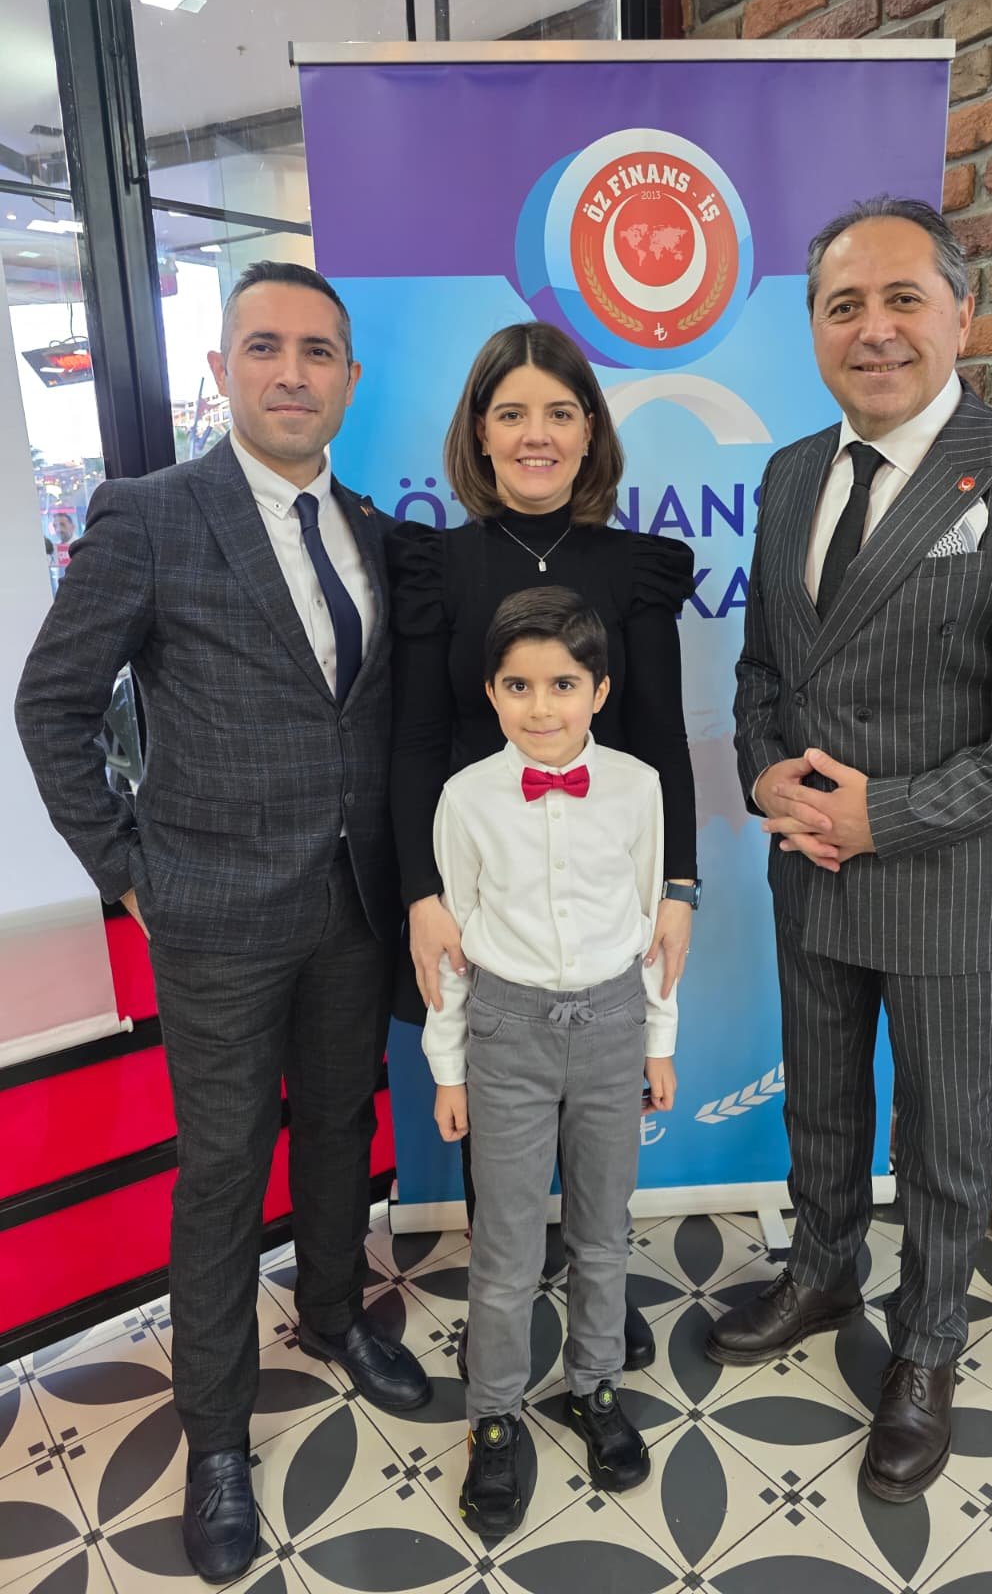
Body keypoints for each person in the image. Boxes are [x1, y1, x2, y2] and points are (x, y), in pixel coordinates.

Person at [15, 260, 431, 1582]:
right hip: (212, 916)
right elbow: (52, 706)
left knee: (340, 1125)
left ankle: (333, 1313)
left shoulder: (375, 530)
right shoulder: (150, 514)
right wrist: (127, 872)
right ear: (221, 369)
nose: (292, 373)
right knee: (221, 1168)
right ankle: (216, 1436)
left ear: (349, 379)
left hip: (353, 904)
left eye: (317, 352)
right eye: (264, 347)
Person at [705, 197, 992, 1503]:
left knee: (941, 1140)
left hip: (949, 878)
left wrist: (882, 815)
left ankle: (929, 1346)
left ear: (962, 317)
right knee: (822, 1103)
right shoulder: (788, 475)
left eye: (903, 300)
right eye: (844, 306)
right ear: (814, 328)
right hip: (809, 865)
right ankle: (823, 1271)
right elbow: (765, 669)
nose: (873, 329)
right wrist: (764, 770)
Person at [390, 320, 700, 1369]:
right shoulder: (435, 565)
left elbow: (660, 737)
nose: (536, 435)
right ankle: (507, 1316)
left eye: (560, 413)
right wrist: (422, 893)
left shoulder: (635, 566)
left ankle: (596, 1298)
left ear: (590, 431)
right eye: (512, 412)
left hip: (602, 891)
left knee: (600, 1127)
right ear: (479, 432)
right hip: (486, 892)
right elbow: (414, 742)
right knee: (504, 1134)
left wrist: (680, 886)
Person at [424, 584, 678, 1536]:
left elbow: (652, 925)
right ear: (491, 692)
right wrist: (449, 1069)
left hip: (613, 1026)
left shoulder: (639, 787)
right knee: (506, 1248)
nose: (541, 707)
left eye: (563, 684)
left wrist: (659, 1041)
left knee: (604, 1232)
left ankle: (594, 1384)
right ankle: (493, 1415)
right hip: (507, 1034)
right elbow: (451, 947)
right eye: (519, 686)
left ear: (599, 691)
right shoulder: (465, 798)